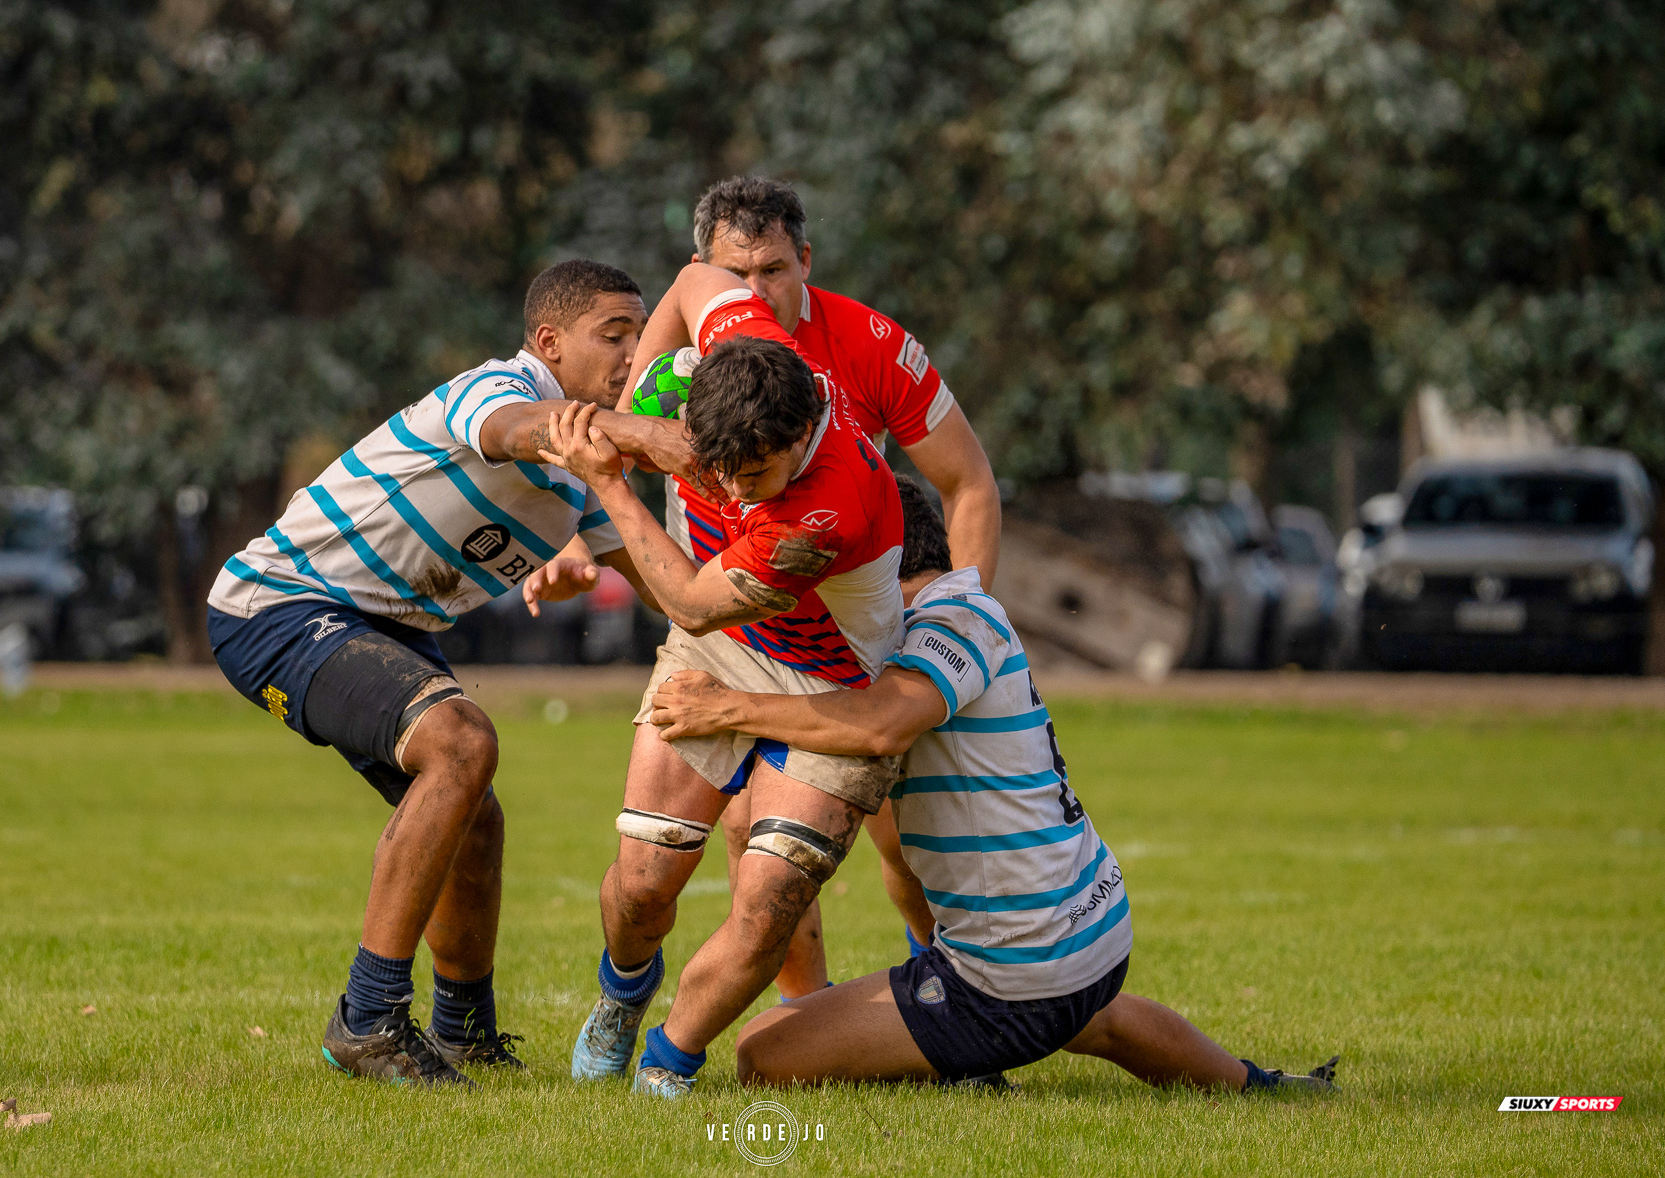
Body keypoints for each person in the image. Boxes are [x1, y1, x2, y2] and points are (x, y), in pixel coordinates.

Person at [646, 476, 1340, 1094]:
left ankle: (964, 1056)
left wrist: (727, 707)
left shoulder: (950, 618)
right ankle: (1255, 1085)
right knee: (1093, 1022)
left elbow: (881, 727)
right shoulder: (952, 617)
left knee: (763, 1052)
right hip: (1089, 934)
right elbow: (897, 852)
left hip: (1019, 975)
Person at [206, 260, 689, 1086]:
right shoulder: (497, 388)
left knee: (479, 817)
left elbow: (675, 591)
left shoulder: (586, 477)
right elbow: (513, 431)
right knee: (461, 744)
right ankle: (368, 1022)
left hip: (380, 623)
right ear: (549, 342)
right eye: (615, 334)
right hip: (276, 603)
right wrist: (655, 437)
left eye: (640, 336)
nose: (633, 354)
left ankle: (464, 1028)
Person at [537, 261, 905, 1098]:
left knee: (771, 896)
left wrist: (606, 476)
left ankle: (670, 1062)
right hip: (721, 653)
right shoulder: (748, 345)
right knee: (641, 883)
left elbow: (694, 605)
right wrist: (638, 422)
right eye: (722, 469)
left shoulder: (827, 505)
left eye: (756, 476)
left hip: (832, 681)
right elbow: (696, 274)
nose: (736, 490)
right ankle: (623, 998)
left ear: (803, 430)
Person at [684, 177, 1001, 996]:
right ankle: (804, 1013)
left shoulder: (870, 342)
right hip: (748, 617)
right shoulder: (695, 348)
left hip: (868, 613)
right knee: (754, 825)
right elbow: (618, 431)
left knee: (906, 839)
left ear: (806, 261)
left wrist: (962, 625)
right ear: (703, 270)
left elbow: (968, 485)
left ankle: (957, 995)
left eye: (775, 270)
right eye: (736, 273)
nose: (756, 291)